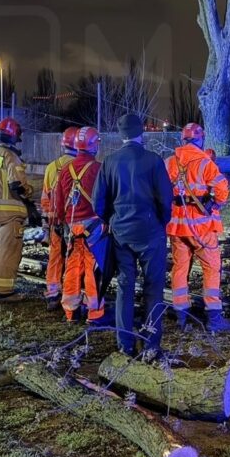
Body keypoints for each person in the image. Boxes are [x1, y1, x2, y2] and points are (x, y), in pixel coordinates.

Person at [92, 113, 171, 358]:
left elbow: (98, 203)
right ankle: (150, 344)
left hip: (121, 234)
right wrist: (159, 223)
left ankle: (125, 344)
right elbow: (165, 200)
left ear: (121, 134)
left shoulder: (109, 162)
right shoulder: (154, 160)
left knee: (125, 287)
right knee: (154, 287)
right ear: (141, 132)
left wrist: (112, 220)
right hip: (151, 233)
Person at [165, 122, 230, 332]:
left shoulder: (169, 162)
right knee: (211, 268)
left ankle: (181, 316)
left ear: (183, 139)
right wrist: (216, 203)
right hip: (201, 228)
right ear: (200, 139)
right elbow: (222, 188)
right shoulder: (205, 162)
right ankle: (214, 318)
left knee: (180, 268)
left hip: (177, 227)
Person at [54, 126, 106, 324]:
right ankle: (95, 312)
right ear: (94, 146)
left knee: (73, 266)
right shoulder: (98, 168)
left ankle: (71, 311)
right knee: (94, 267)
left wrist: (62, 221)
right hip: (93, 225)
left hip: (72, 225)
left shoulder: (65, 169)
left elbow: (59, 201)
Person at [0, 117, 33, 302]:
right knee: (9, 251)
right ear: (13, 137)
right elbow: (17, 185)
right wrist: (30, 192)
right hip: (9, 214)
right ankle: (3, 291)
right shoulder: (10, 157)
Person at [43, 127, 80, 311]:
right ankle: (71, 293)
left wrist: (47, 221)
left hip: (54, 221)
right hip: (73, 221)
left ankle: (52, 293)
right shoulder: (79, 166)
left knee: (55, 257)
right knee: (74, 257)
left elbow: (45, 197)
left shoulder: (52, 167)